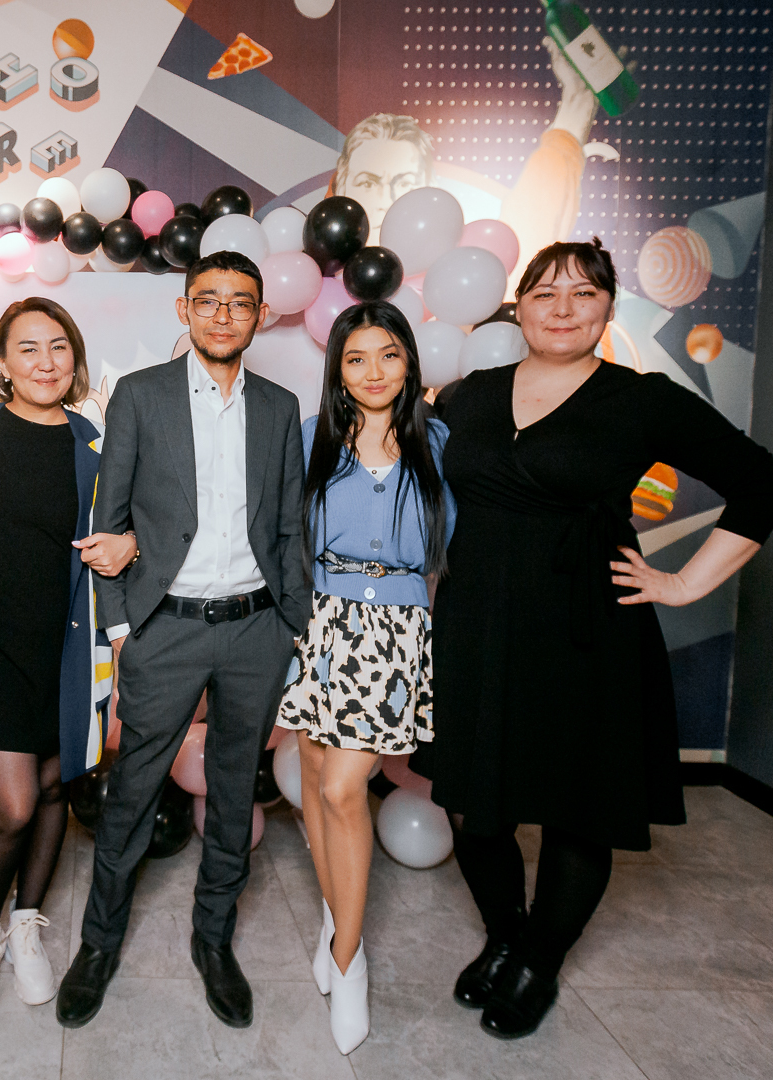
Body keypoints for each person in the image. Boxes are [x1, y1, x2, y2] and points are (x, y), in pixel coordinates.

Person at [431, 238, 773, 1039]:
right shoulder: (466, 396)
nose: (562, 308)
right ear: (519, 306)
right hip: (476, 629)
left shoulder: (642, 401)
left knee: (578, 810)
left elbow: (764, 485)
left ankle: (539, 963)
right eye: (545, 293)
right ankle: (504, 937)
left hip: (586, 633)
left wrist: (684, 582)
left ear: (607, 307)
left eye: (584, 293)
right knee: (472, 805)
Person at [57, 250, 309, 1031]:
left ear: (260, 315)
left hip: (257, 630)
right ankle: (98, 944)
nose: (224, 315)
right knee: (133, 792)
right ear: (185, 310)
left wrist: (294, 629)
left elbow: (290, 528)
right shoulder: (140, 396)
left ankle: (214, 940)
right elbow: (108, 521)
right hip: (164, 629)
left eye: (240, 302)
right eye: (208, 300)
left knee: (235, 794)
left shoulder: (280, 406)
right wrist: (122, 629)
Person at [0, 298, 133, 1027]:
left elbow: (127, 528)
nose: (46, 362)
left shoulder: (95, 442)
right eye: (29, 348)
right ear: (3, 361)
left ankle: (27, 924)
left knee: (50, 790)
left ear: (75, 359)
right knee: (10, 804)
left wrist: (130, 545)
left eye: (59, 347)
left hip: (67, 643)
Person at [276, 301, 453, 1054]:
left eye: (388, 354)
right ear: (338, 370)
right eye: (356, 358)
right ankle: (334, 913)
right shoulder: (312, 438)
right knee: (319, 778)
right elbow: (282, 534)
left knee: (346, 787)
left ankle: (350, 961)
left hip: (396, 629)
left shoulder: (438, 442)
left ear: (409, 362)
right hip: (320, 623)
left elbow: (458, 539)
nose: (373, 371)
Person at [335, 38, 600, 290]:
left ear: (431, 190)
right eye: (367, 183)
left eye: (404, 183)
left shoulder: (464, 282)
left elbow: (529, 226)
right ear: (341, 188)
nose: (386, 200)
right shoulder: (320, 281)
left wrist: (577, 106)